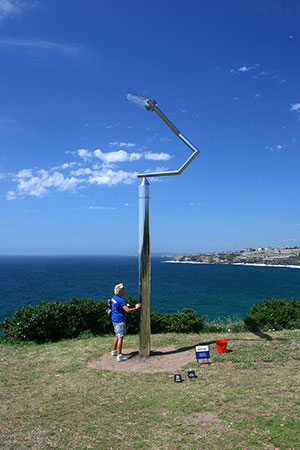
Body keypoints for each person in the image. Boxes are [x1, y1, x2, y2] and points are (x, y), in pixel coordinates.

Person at [111, 283, 141, 362]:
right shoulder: (121, 300)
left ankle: (114, 351)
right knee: (120, 337)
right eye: (123, 291)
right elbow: (127, 310)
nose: (124, 292)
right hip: (120, 320)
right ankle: (119, 356)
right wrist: (135, 308)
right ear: (120, 292)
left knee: (117, 335)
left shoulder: (114, 298)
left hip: (114, 318)